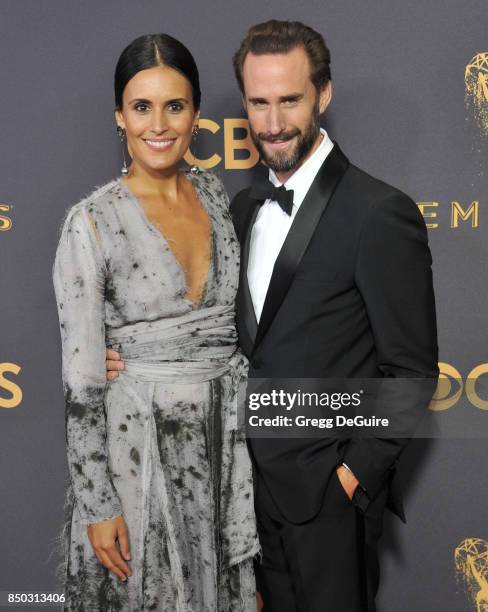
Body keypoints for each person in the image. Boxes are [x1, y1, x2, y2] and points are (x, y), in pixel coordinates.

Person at [106, 20, 439, 612]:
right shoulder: (240, 208)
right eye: (259, 103)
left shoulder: (378, 212)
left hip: (326, 505)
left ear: (324, 94)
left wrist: (348, 482)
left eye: (290, 99)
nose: (274, 121)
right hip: (239, 500)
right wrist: (135, 362)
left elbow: (410, 372)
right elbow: (225, 339)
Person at [53, 33, 259, 612]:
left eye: (176, 105)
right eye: (142, 106)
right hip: (135, 455)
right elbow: (83, 383)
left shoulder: (217, 197)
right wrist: (98, 504)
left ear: (195, 114)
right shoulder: (90, 222)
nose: (159, 123)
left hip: (223, 447)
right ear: (120, 116)